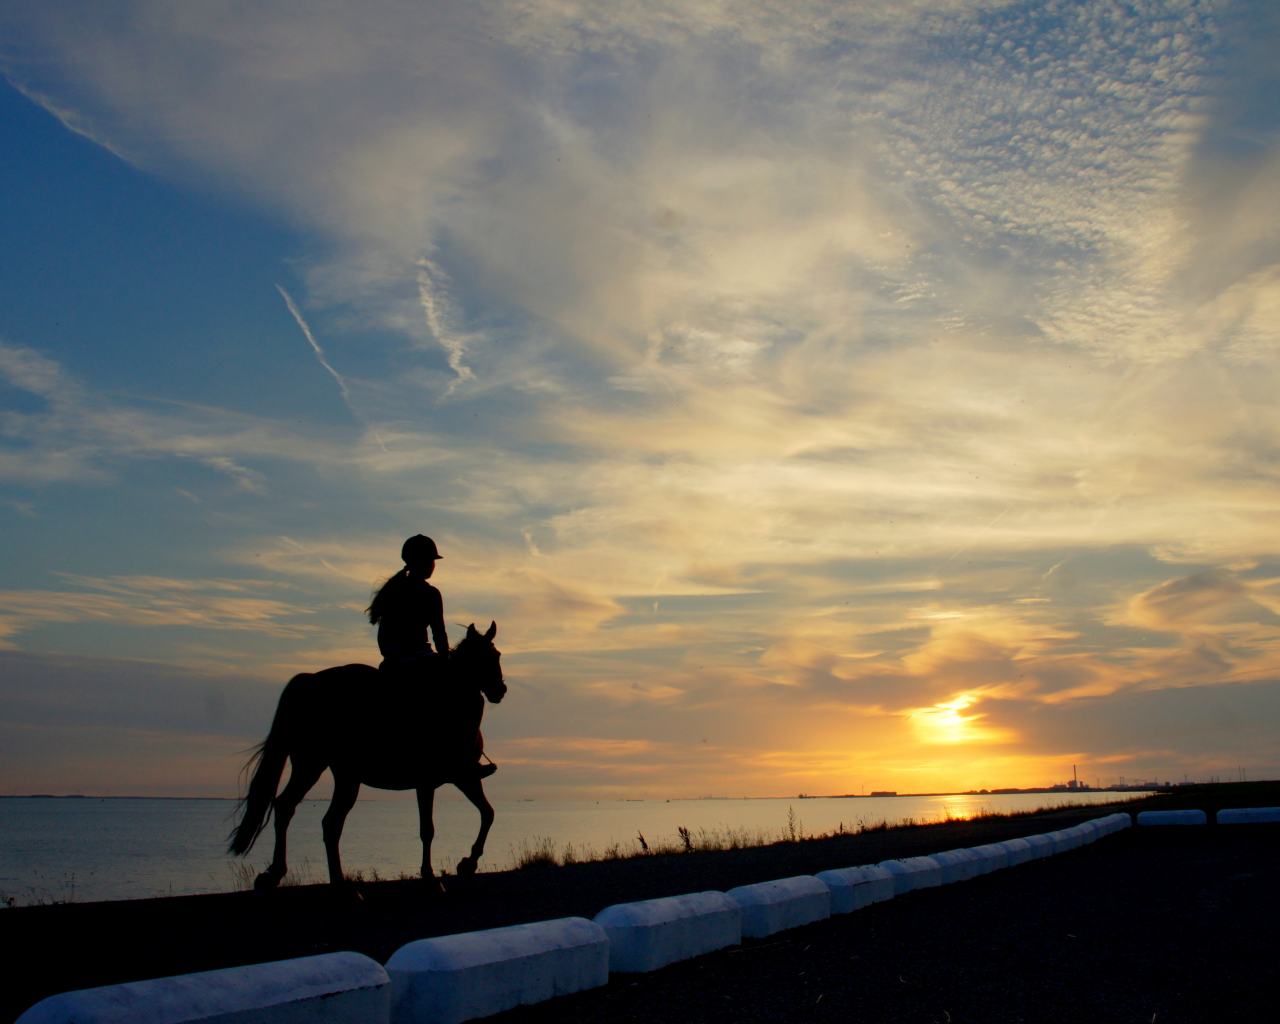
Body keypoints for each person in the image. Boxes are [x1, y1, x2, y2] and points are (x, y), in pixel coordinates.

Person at [367, 535, 496, 779]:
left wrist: (392, 655)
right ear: (421, 562)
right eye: (430, 560)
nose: (432, 565)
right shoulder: (430, 593)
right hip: (418, 661)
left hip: (391, 662)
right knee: (473, 700)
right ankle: (463, 760)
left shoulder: (393, 589)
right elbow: (439, 634)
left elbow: (383, 635)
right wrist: (445, 660)